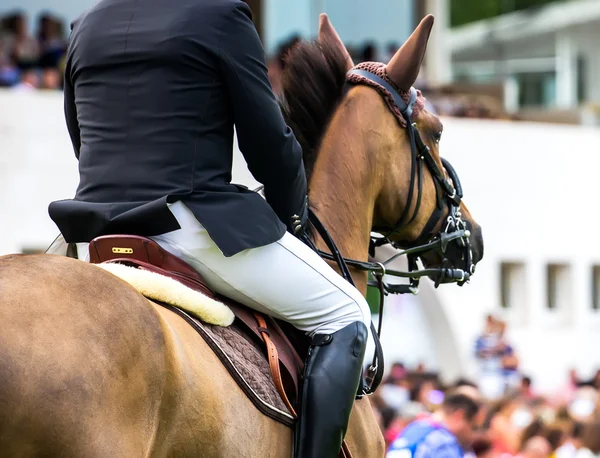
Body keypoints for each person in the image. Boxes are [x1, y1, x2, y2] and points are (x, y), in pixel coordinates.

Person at [47, 1, 371, 457]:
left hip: (88, 232)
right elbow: (269, 145)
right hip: (188, 225)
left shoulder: (86, 25)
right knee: (347, 313)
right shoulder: (220, 16)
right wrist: (295, 224)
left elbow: (79, 134)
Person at [386, 391, 482, 458]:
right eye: (473, 427)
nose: (472, 436)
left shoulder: (414, 427)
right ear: (459, 415)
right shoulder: (444, 442)